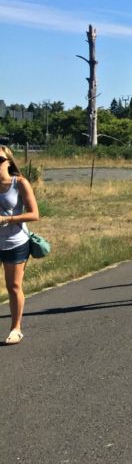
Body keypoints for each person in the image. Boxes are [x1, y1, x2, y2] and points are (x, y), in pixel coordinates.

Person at [0, 145, 40, 345]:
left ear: (8, 161)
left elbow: (34, 214)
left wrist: (7, 219)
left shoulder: (19, 183)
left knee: (14, 286)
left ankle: (16, 328)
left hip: (15, 242)